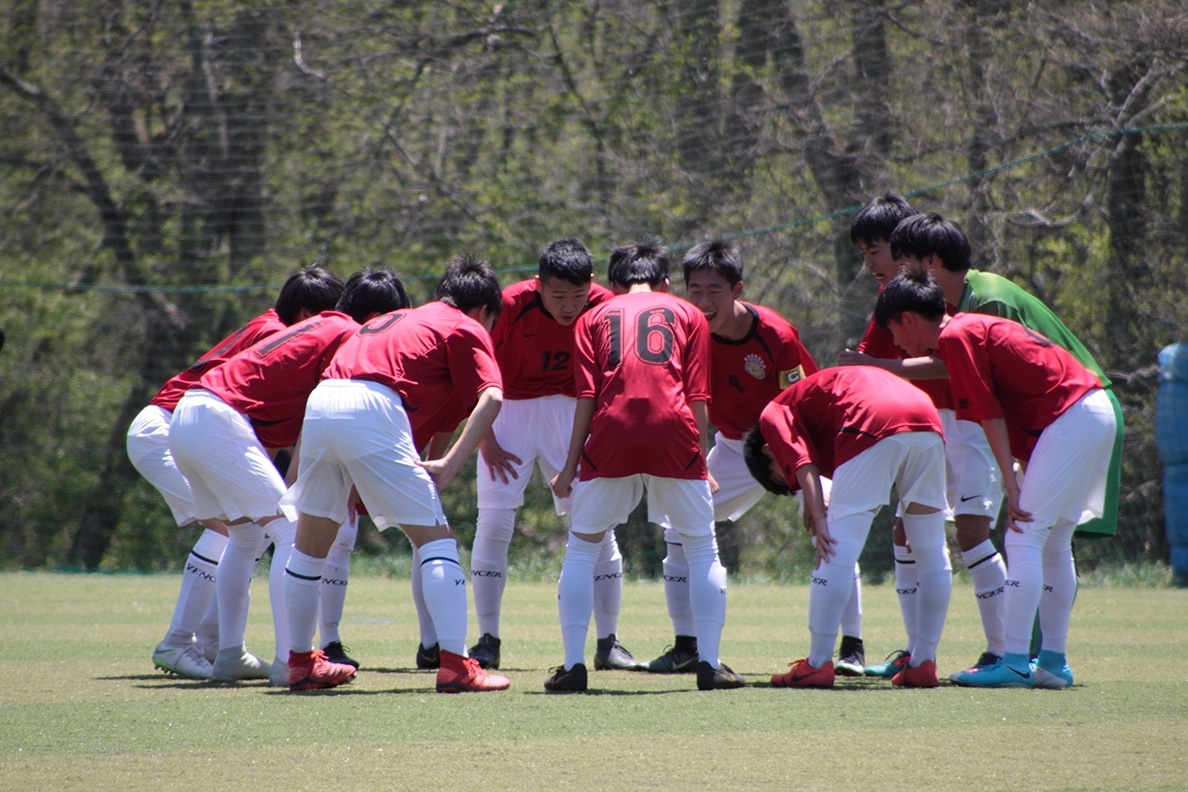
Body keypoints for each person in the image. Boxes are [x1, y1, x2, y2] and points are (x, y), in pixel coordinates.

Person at [280, 254, 511, 693]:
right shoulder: (465, 324)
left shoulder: (402, 317)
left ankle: (299, 661)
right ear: (483, 310)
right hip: (372, 404)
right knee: (436, 541)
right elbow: (493, 398)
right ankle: (456, 665)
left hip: (324, 399)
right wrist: (449, 463)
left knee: (311, 546)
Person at [875, 268, 1116, 688]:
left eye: (894, 331)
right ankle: (1053, 663)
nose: (895, 342)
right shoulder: (968, 329)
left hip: (1072, 415)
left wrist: (1010, 482)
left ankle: (1016, 660)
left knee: (1024, 535)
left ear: (909, 320)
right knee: (1054, 540)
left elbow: (989, 414)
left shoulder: (955, 336)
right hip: (1093, 410)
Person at [168, 269, 409, 686]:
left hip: (192, 412)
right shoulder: (348, 332)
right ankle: (290, 661)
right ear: (374, 317)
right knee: (291, 531)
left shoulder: (324, 323)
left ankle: (229, 654)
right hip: (218, 418)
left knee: (245, 537)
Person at [127, 268, 342, 680]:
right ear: (307, 313)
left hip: (175, 422)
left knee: (247, 531)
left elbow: (264, 429)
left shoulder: (272, 325)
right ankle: (183, 642)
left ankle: (222, 648)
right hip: (168, 426)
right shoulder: (280, 334)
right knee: (239, 531)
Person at [547, 243, 744, 692]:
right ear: (667, 284)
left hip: (611, 432)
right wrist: (699, 457)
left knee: (581, 550)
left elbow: (586, 398)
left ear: (612, 287)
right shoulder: (688, 314)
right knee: (701, 550)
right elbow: (697, 395)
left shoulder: (591, 318)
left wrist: (570, 465)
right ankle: (709, 664)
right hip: (673, 431)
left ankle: (573, 666)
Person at [641, 239, 831, 674]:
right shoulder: (680, 331)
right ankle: (687, 644)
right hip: (730, 446)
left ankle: (849, 649)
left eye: (714, 291)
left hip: (788, 440)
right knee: (678, 525)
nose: (703, 302)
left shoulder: (776, 335)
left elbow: (805, 400)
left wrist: (802, 469)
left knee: (832, 525)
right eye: (695, 291)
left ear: (737, 289)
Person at [838, 196, 1007, 678]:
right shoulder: (890, 302)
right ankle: (916, 651)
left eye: (876, 250)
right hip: (926, 426)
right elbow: (868, 362)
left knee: (973, 531)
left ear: (906, 250)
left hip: (970, 423)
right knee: (906, 533)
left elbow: (960, 363)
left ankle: (1004, 652)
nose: (869, 263)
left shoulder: (955, 297)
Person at [893, 212, 1123, 542]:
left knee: (1035, 534)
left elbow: (986, 388)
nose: (904, 275)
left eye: (906, 264)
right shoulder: (959, 304)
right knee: (1046, 536)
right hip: (1065, 410)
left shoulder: (988, 298)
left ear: (930, 260)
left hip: (1075, 405)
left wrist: (885, 367)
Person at [464, 238, 637, 672]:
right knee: (494, 520)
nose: (568, 306)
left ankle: (609, 642)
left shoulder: (604, 305)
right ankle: (487, 639)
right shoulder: (509, 304)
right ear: (538, 285)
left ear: (592, 286)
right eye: (558, 295)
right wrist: (485, 439)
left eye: (577, 295)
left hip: (571, 410)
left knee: (597, 524)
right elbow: (473, 371)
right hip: (508, 411)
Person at [744, 366, 952, 688]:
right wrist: (905, 514)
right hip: (925, 414)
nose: (790, 483)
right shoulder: (813, 413)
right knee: (931, 548)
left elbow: (801, 464)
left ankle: (816, 664)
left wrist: (819, 517)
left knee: (834, 550)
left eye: (779, 476)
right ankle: (924, 662)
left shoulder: (773, 413)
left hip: (871, 418)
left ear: (769, 450)